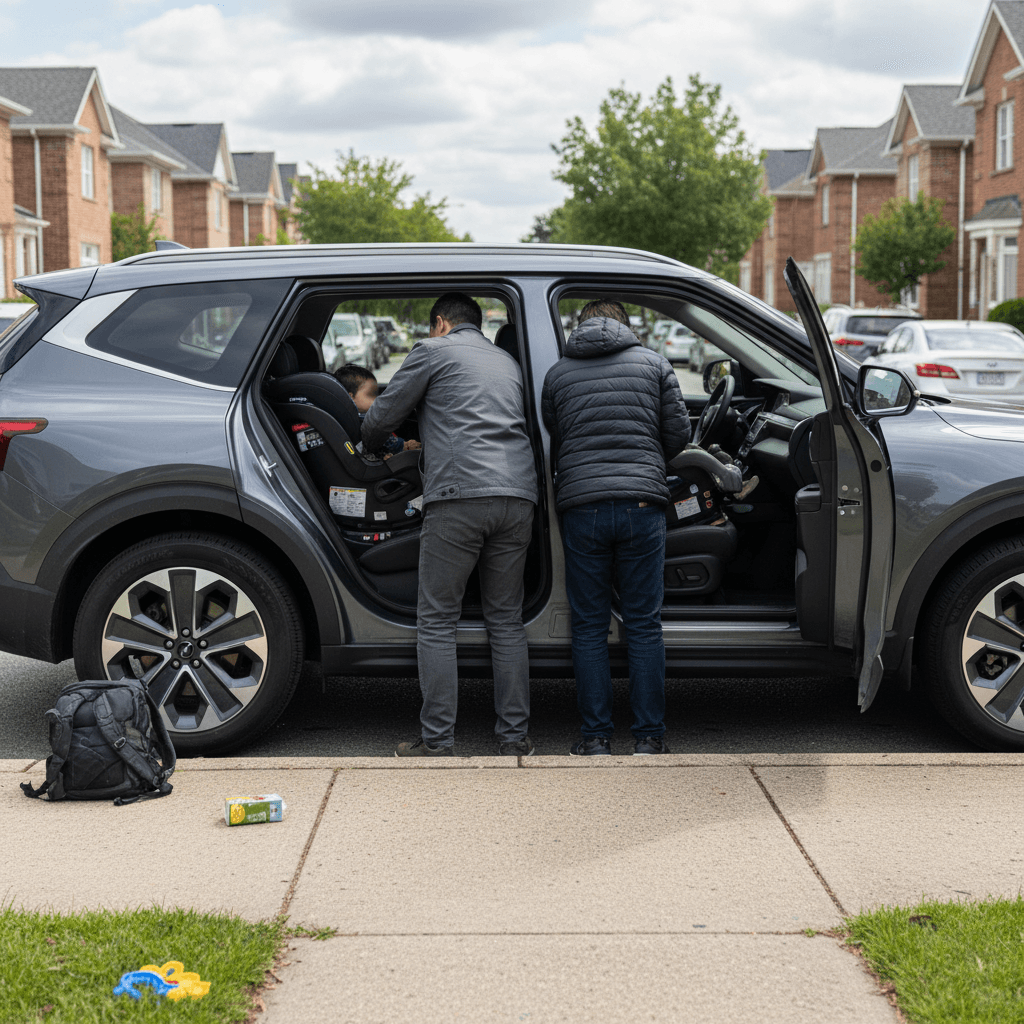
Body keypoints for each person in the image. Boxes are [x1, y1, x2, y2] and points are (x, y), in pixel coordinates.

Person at [362, 292, 538, 756]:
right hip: (518, 496)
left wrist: (379, 441)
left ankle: (438, 741)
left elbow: (380, 418)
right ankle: (514, 739)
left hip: (459, 495)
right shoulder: (509, 362)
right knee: (506, 620)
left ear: (441, 323)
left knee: (438, 620)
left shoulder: (432, 351)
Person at [541, 299, 690, 756]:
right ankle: (649, 739)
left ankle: (596, 739)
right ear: (625, 325)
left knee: (588, 626)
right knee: (644, 624)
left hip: (582, 507)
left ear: (580, 326)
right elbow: (679, 434)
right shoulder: (655, 364)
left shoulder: (558, 374)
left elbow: (556, 431)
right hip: (642, 504)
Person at [334, 363, 420, 458]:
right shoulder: (363, 420)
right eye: (371, 394)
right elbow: (387, 441)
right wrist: (404, 445)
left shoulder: (350, 418)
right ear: (350, 398)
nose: (376, 399)